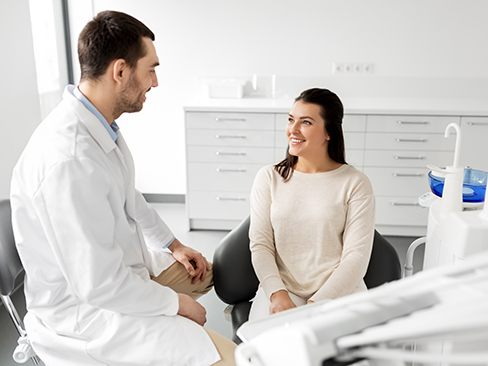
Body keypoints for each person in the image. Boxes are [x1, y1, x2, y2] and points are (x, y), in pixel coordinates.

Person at [10, 10, 235, 366]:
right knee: (231, 359)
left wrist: (173, 245)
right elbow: (98, 285)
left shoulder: (100, 126)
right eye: (151, 69)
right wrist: (177, 306)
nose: (155, 82)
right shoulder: (68, 161)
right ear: (119, 71)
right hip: (87, 313)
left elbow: (129, 195)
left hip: (121, 270)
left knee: (203, 273)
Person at [248, 88, 375, 321]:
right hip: (282, 291)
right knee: (263, 353)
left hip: (338, 292)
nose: (292, 130)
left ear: (329, 132)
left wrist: (315, 305)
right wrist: (277, 294)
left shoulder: (355, 183)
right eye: (290, 120)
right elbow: (261, 245)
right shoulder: (268, 178)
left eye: (305, 122)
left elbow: (356, 258)